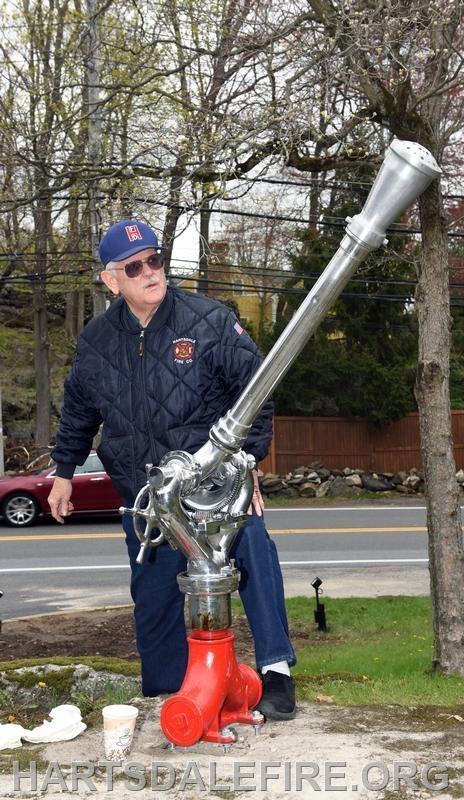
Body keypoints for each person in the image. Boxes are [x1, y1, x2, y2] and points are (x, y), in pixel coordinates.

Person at [47, 219, 296, 720]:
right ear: (111, 280)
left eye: (155, 259)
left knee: (254, 555)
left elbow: (257, 392)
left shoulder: (210, 320)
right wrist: (63, 470)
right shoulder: (96, 340)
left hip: (212, 486)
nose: (149, 272)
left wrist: (246, 465)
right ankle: (168, 695)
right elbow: (79, 407)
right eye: (134, 267)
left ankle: (277, 674)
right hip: (146, 498)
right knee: (154, 597)